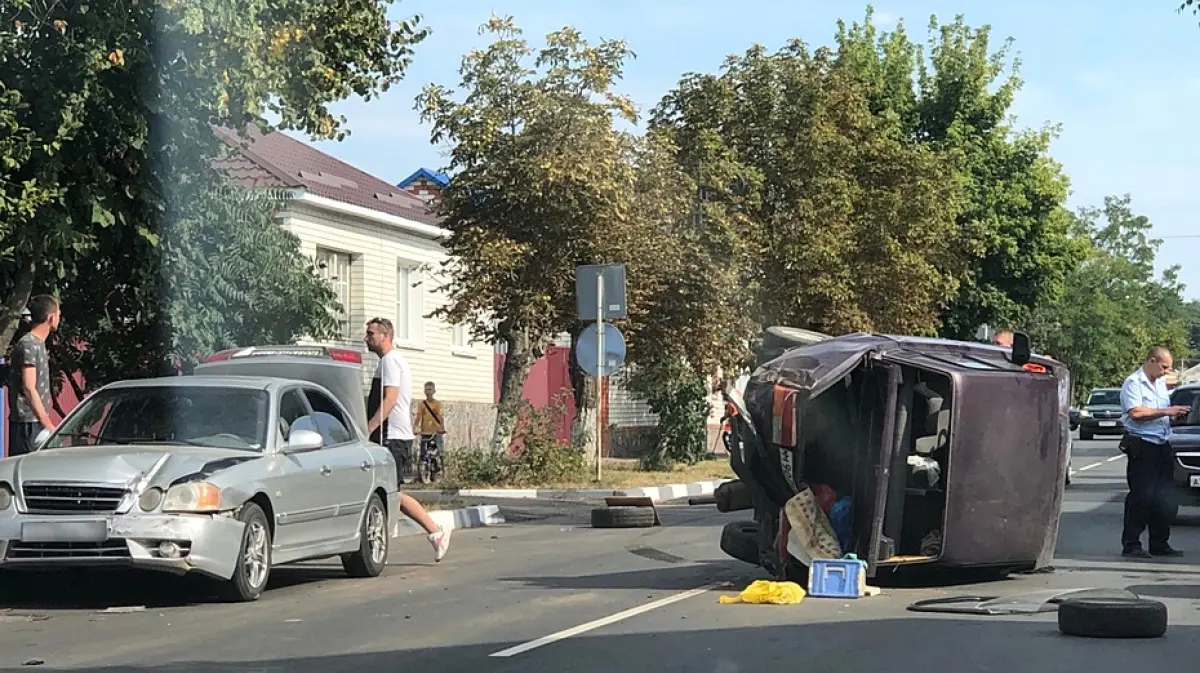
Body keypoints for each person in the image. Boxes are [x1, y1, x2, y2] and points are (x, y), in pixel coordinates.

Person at [363, 318, 451, 562]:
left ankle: (435, 531)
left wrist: (368, 427)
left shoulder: (391, 361)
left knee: (391, 493)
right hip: (391, 436)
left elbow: (390, 399)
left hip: (391, 437)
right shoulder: (388, 362)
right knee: (389, 493)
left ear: (385, 335)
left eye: (370, 333)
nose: (366, 338)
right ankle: (382, 543)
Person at [1118, 346, 1191, 559]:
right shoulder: (1133, 383)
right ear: (1152, 361)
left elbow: (1159, 413)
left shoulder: (1159, 384)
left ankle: (1160, 543)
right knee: (1142, 496)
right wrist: (1167, 411)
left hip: (1162, 444)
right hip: (1143, 444)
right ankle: (1131, 544)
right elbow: (1136, 413)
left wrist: (1174, 415)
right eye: (1164, 366)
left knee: (1164, 498)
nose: (1166, 372)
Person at [6, 295, 60, 456]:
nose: (59, 319)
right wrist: (48, 424)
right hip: (28, 424)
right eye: (58, 315)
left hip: (35, 422)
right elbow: (29, 388)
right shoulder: (29, 344)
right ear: (51, 318)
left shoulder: (38, 344)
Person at [416, 381, 446, 458]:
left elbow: (440, 417)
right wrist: (415, 428)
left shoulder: (437, 404)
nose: (428, 392)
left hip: (436, 432)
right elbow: (418, 417)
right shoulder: (422, 404)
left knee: (439, 451)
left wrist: (442, 428)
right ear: (424, 391)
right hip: (425, 432)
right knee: (423, 454)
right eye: (427, 389)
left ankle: (440, 461)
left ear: (434, 391)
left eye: (430, 389)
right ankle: (424, 466)